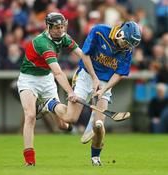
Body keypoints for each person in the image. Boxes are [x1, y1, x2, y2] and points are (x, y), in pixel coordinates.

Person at [38, 21, 141, 166]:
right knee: (70, 118)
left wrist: (103, 89)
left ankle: (95, 158)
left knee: (99, 125)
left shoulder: (127, 50)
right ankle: (49, 104)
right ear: (121, 33)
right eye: (126, 42)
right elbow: (84, 55)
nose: (127, 46)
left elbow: (119, 74)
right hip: (85, 76)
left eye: (130, 44)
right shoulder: (99, 31)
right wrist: (94, 78)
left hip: (105, 83)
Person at [17, 12, 99, 166]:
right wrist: (70, 92)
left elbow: (82, 54)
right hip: (29, 80)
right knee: (30, 116)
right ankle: (30, 160)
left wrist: (96, 75)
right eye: (57, 27)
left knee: (63, 125)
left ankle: (48, 106)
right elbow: (58, 72)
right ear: (48, 27)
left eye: (62, 27)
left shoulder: (64, 37)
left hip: (46, 79)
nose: (60, 30)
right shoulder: (43, 43)